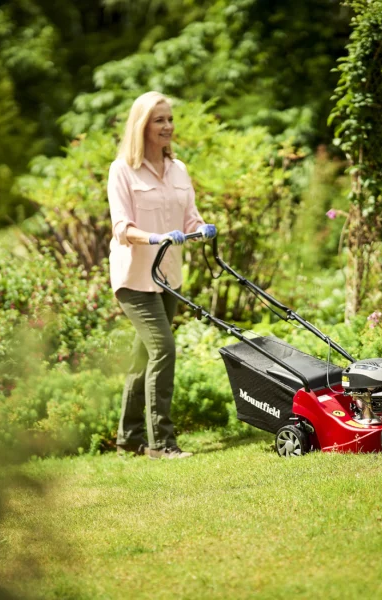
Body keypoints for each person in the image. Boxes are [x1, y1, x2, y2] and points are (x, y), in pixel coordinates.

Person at [107, 91, 217, 460]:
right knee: (163, 349)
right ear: (142, 126)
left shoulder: (179, 169)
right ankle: (161, 444)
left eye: (169, 119)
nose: (167, 126)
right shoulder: (122, 169)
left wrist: (201, 228)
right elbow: (122, 227)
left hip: (169, 275)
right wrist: (153, 237)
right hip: (135, 277)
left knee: (144, 356)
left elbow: (189, 217)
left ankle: (128, 437)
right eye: (159, 120)